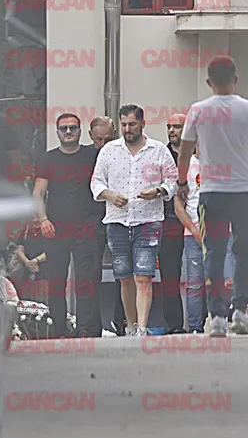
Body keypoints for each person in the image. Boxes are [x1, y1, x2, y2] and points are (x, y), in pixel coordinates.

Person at [176, 55, 248, 338]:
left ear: (208, 81)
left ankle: (217, 316)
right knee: (245, 252)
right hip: (245, 192)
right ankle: (241, 311)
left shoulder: (198, 111)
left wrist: (182, 182)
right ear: (236, 79)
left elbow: (184, 152)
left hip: (212, 192)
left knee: (214, 253)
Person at [90, 104, 178, 336]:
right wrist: (109, 195)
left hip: (148, 221)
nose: (128, 129)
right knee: (124, 277)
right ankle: (130, 325)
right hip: (117, 221)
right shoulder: (109, 150)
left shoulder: (158, 150)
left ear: (143, 123)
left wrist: (158, 191)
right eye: (124, 125)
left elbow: (173, 181)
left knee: (144, 276)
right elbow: (96, 182)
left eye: (132, 124)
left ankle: (143, 327)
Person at [33, 113, 99, 338]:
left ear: (80, 131)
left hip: (85, 229)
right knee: (56, 282)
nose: (68, 131)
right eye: (64, 128)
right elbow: (38, 194)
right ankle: (59, 331)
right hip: (55, 230)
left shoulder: (91, 155)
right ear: (57, 132)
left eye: (73, 127)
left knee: (85, 282)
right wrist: (43, 220)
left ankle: (83, 330)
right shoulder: (49, 159)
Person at [175, 145, 235, 333]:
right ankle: (195, 328)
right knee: (195, 284)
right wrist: (194, 230)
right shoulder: (185, 167)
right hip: (193, 234)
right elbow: (178, 206)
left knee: (227, 281)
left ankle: (221, 320)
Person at [88, 116, 124, 336]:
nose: (102, 144)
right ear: (91, 136)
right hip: (92, 222)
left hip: (119, 218)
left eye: (108, 139)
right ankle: (92, 326)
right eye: (98, 139)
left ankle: (122, 322)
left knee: (123, 272)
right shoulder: (85, 157)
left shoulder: (123, 154)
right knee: (92, 274)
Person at [158, 114, 187, 334]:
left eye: (176, 126)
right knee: (169, 275)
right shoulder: (160, 155)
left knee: (200, 275)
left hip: (197, 220)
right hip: (168, 220)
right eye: (169, 126)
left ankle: (201, 322)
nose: (171, 131)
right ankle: (174, 325)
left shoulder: (199, 155)